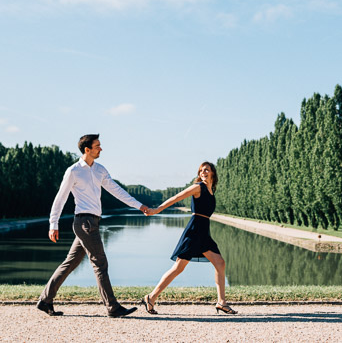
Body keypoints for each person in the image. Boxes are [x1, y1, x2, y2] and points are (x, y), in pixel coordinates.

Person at [35, 133, 151, 317]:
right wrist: (53, 223)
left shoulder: (100, 170)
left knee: (71, 262)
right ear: (87, 149)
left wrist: (139, 205)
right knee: (100, 263)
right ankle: (112, 307)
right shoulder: (73, 171)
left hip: (93, 222)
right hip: (84, 222)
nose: (101, 149)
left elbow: (116, 190)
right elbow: (61, 197)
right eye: (97, 146)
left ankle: (45, 300)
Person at [140, 161, 237, 315]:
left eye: (207, 170)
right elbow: (176, 197)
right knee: (178, 268)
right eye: (201, 170)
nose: (203, 172)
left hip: (204, 232)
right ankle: (150, 297)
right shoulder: (198, 187)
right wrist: (157, 210)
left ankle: (221, 302)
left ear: (213, 173)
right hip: (194, 231)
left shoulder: (211, 191)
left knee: (220, 263)